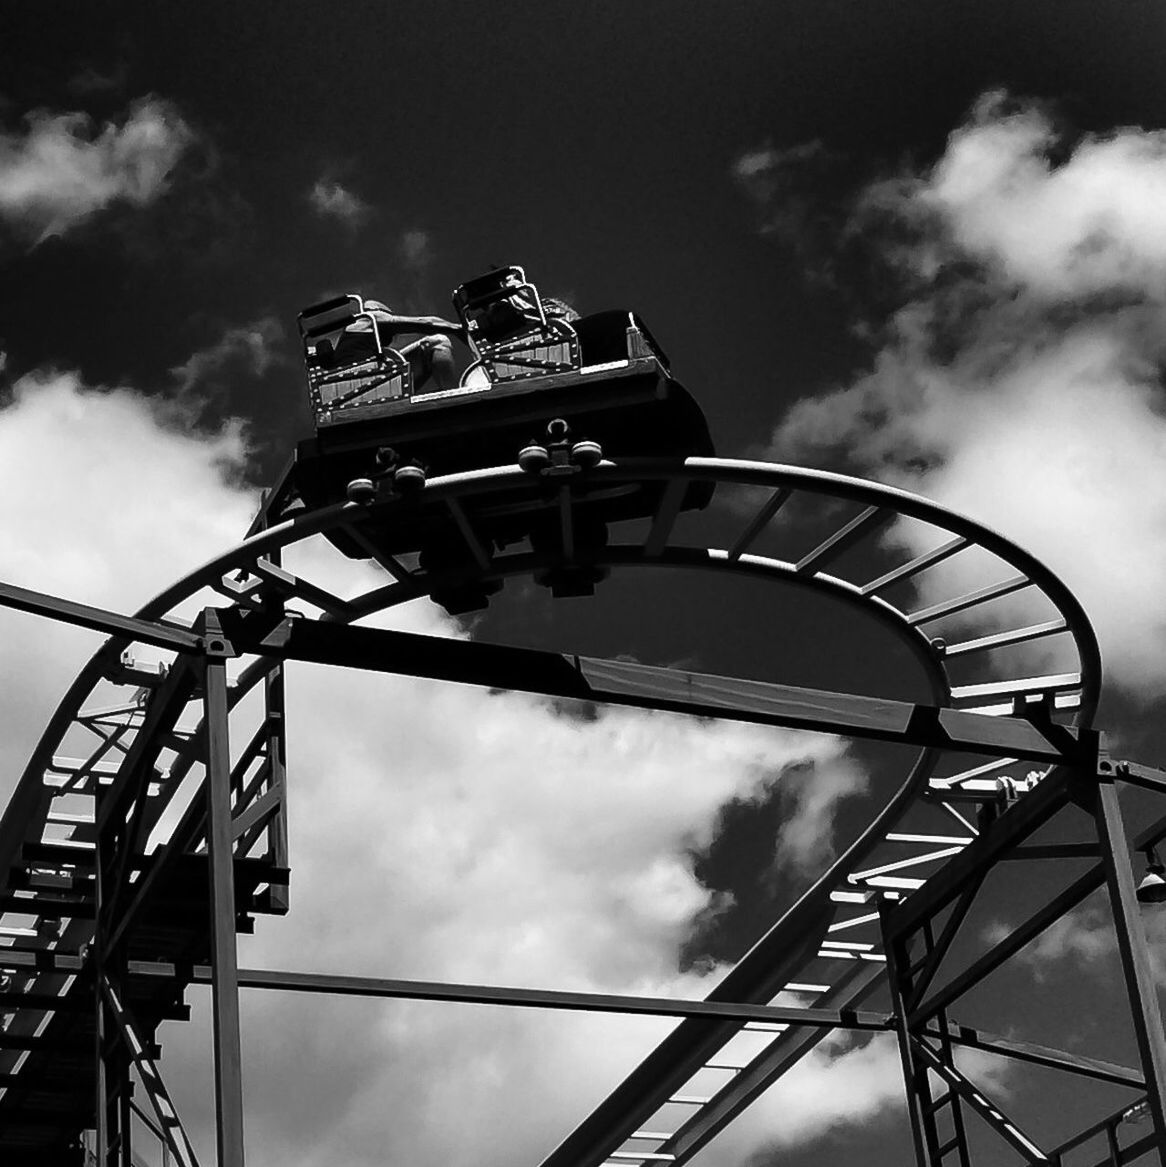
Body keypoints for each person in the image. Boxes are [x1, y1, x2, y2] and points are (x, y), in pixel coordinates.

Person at [335, 300, 467, 393]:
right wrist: (458, 328)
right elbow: (425, 322)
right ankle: (452, 392)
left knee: (395, 360)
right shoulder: (370, 317)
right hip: (371, 382)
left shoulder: (350, 339)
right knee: (437, 341)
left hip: (354, 388)